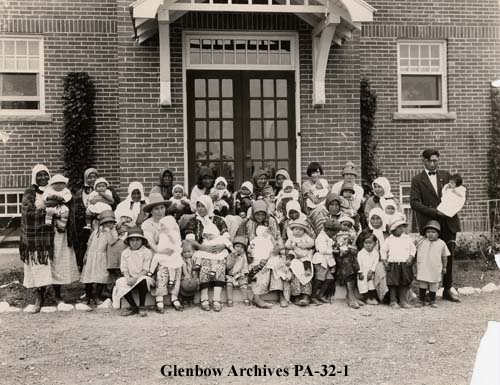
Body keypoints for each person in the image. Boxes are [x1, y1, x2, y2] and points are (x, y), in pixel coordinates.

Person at [20, 164, 79, 313]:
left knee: (57, 263)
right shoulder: (30, 192)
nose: (43, 178)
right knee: (41, 265)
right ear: (34, 177)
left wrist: (60, 211)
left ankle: (58, 296)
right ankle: (40, 297)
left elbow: (70, 207)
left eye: (45, 175)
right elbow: (28, 212)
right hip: (39, 237)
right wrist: (47, 210)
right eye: (39, 175)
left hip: (58, 233)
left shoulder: (56, 190)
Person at [410, 148, 461, 302]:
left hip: (448, 221)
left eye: (436, 161)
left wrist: (453, 206)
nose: (433, 164)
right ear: (423, 161)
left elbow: (459, 193)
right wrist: (434, 212)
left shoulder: (446, 176)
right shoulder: (417, 180)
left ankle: (447, 289)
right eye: (430, 161)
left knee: (448, 256)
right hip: (431, 224)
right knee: (428, 258)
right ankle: (426, 291)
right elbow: (414, 202)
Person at [236, 200, 289, 308]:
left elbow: (277, 237)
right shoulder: (248, 223)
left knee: (276, 265)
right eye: (257, 214)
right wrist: (247, 253)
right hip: (254, 253)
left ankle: (280, 295)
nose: (260, 216)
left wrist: (277, 249)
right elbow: (243, 240)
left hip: (270, 251)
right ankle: (257, 298)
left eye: (262, 214)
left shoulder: (271, 221)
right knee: (259, 266)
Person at [185, 195, 230, 312]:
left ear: (209, 206)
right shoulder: (193, 221)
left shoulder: (219, 220)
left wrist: (222, 245)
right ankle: (204, 298)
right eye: (198, 206)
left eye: (203, 206)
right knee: (205, 265)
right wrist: (202, 247)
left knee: (219, 265)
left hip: (217, 250)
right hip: (200, 250)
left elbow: (226, 237)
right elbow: (190, 240)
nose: (200, 209)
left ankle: (216, 299)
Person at [141, 193, 180, 313]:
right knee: (162, 266)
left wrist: (173, 250)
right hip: (155, 253)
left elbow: (178, 240)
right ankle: (159, 297)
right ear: (151, 211)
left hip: (171, 252)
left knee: (177, 263)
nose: (160, 211)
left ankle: (174, 296)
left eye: (162, 208)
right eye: (156, 209)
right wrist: (161, 251)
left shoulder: (171, 221)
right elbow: (151, 243)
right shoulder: (147, 224)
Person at [112, 227, 154, 316]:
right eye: (132, 240)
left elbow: (146, 269)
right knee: (120, 282)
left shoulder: (146, 252)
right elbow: (124, 269)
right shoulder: (125, 253)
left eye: (137, 240)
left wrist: (136, 278)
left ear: (142, 241)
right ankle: (133, 306)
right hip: (130, 277)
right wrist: (128, 278)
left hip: (142, 276)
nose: (135, 243)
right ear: (128, 241)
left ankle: (142, 306)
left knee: (143, 280)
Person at [80, 210, 118, 306]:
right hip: (92, 256)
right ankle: (88, 296)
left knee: (101, 277)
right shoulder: (95, 231)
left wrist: (109, 231)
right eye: (106, 222)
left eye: (111, 222)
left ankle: (97, 296)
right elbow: (89, 243)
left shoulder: (113, 232)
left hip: (102, 257)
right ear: (102, 222)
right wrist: (86, 254)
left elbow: (111, 242)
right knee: (88, 276)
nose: (108, 224)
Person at [148, 215, 184, 312]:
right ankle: (159, 298)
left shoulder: (174, 233)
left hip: (173, 255)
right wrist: (163, 251)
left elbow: (177, 245)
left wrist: (171, 236)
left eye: (164, 225)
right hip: (163, 255)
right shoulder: (161, 235)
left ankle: (174, 297)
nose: (162, 227)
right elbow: (159, 247)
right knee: (162, 274)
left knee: (176, 272)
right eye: (161, 225)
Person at [380, 213, 416, 309]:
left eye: (402, 226)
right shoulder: (389, 239)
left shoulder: (407, 238)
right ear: (393, 228)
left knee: (404, 282)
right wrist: (384, 260)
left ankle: (403, 301)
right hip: (393, 264)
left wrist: (411, 257)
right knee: (393, 283)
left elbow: (413, 249)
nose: (401, 229)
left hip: (405, 264)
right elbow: (383, 250)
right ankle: (393, 301)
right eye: (398, 227)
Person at [415, 220, 450, 308]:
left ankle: (432, 300)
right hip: (423, 266)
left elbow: (445, 256)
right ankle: (421, 300)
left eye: (433, 232)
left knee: (433, 284)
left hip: (435, 267)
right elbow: (413, 249)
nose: (430, 234)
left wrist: (445, 267)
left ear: (438, 233)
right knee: (422, 283)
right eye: (428, 232)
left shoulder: (441, 243)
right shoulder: (422, 242)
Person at [286, 219, 315, 306]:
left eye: (300, 230)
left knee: (306, 262)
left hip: (304, 254)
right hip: (294, 254)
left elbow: (311, 243)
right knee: (292, 260)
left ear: (304, 231)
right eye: (296, 229)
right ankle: (296, 296)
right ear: (293, 230)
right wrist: (291, 245)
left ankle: (306, 295)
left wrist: (304, 245)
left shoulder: (305, 237)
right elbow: (287, 245)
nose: (298, 231)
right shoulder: (291, 238)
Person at [312, 219, 339, 303]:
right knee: (319, 279)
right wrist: (333, 251)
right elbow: (323, 250)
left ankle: (321, 295)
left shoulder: (329, 237)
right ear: (326, 230)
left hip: (327, 261)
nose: (334, 234)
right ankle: (312, 296)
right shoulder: (321, 237)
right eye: (332, 231)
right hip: (321, 260)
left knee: (329, 279)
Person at [225, 236, 250, 307]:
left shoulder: (243, 256)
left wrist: (244, 274)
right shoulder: (230, 255)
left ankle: (246, 298)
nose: (239, 249)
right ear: (233, 247)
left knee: (243, 283)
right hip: (230, 275)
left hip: (239, 274)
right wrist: (234, 258)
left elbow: (245, 266)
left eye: (242, 248)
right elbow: (228, 267)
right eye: (237, 246)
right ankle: (229, 299)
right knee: (229, 283)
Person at [357, 232, 380, 305]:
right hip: (363, 272)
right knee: (363, 284)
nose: (368, 245)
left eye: (370, 243)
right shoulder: (361, 253)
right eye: (366, 243)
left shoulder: (376, 253)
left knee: (371, 284)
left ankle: (372, 297)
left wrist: (372, 270)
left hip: (371, 272)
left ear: (375, 244)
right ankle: (366, 298)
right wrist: (360, 272)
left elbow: (375, 263)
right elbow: (359, 263)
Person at [179, 241, 198, 308]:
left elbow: (196, 268)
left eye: (189, 251)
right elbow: (183, 267)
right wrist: (186, 275)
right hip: (184, 276)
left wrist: (194, 276)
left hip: (193, 275)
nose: (186, 254)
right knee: (184, 285)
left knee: (193, 284)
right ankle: (184, 300)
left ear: (193, 251)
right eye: (184, 252)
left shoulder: (194, 258)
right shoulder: (182, 259)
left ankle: (191, 298)